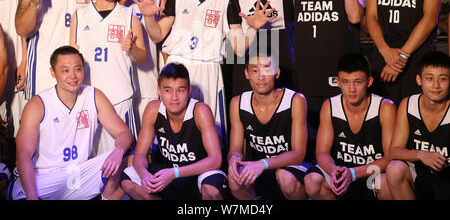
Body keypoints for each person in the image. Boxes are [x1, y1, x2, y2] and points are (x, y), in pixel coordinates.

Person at [132, 0, 275, 151]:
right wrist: (148, 17)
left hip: (209, 70)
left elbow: (238, 49)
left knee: (211, 137)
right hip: (178, 68)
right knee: (175, 134)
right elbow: (157, 35)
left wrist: (252, 28)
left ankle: (212, 178)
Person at [7, 46, 133, 200]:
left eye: (77, 69)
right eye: (65, 70)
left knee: (132, 156)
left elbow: (124, 133)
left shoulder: (93, 95)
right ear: (53, 72)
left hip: (78, 174)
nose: (73, 75)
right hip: (44, 177)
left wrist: (118, 151)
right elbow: (23, 155)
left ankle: (106, 197)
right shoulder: (38, 104)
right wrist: (32, 196)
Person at [291, 0, 365, 138]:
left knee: (341, 134)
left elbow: (354, 16)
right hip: (307, 70)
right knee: (312, 137)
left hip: (339, 68)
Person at [69, 0, 147, 155]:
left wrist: (132, 49)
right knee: (90, 155)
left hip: (120, 96)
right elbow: (72, 55)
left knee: (123, 155)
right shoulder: (80, 14)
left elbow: (142, 57)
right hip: (88, 97)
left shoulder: (129, 15)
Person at [120, 63, 228, 200]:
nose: (174, 97)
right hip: (166, 173)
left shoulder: (200, 111)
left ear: (189, 91)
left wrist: (175, 173)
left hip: (196, 174)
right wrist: (144, 175)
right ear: (159, 91)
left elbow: (216, 159)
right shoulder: (153, 110)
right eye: (168, 90)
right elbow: (140, 154)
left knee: (212, 189)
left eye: (180, 90)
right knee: (128, 179)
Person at [304, 53, 397, 200]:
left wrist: (353, 173)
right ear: (338, 82)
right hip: (342, 174)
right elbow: (322, 152)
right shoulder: (330, 106)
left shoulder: (385, 107)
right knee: (312, 181)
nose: (351, 89)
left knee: (386, 183)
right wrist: (334, 171)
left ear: (369, 81)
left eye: (358, 82)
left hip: (371, 174)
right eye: (346, 82)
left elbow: (390, 157)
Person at [109, 0, 170, 130]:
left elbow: (165, 33)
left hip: (149, 72)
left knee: (149, 141)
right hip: (114, 73)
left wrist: (166, 69)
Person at [227, 50, 310, 200]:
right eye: (255, 70)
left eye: (267, 69)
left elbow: (299, 154)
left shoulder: (295, 100)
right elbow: (235, 149)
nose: (260, 76)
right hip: (257, 167)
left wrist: (263, 164)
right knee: (234, 177)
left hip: (289, 167)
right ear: (247, 74)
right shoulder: (238, 103)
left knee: (286, 177)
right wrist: (234, 160)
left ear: (277, 73)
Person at [386, 51, 450, 200]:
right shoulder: (408, 104)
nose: (436, 85)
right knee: (394, 170)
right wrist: (421, 155)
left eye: (443, 79)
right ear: (419, 80)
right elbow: (393, 152)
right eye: (429, 78)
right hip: (420, 175)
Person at [0, 0, 28, 139]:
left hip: (14, 63)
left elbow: (26, 20)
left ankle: (18, 167)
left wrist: (25, 60)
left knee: (20, 134)